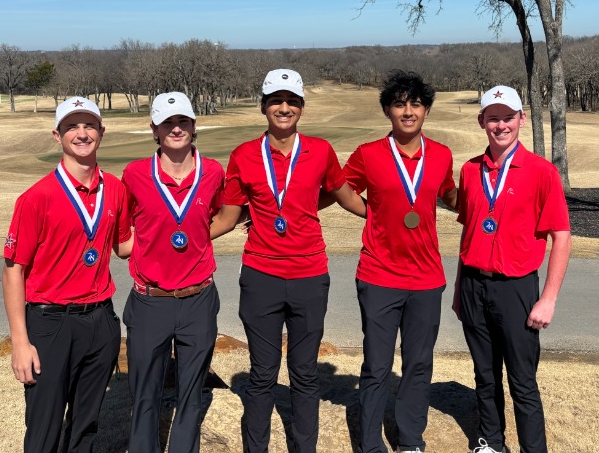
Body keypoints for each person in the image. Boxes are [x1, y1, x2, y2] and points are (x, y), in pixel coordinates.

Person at [210, 68, 366, 452]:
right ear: (263, 106)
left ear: (301, 108)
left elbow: (343, 195)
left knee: (305, 374)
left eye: (292, 101)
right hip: (261, 275)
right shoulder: (245, 154)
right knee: (262, 376)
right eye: (276, 101)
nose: (284, 108)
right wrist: (176, 238)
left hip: (310, 275)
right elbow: (229, 217)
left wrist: (388, 215)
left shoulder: (321, 151)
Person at [2, 96, 132, 453]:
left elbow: (125, 246)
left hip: (100, 320)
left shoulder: (116, 189)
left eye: (89, 125)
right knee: (43, 428)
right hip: (50, 323)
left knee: (87, 425)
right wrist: (20, 342)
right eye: (71, 126)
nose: (81, 133)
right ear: (56, 136)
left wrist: (186, 228)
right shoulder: (36, 198)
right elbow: (14, 272)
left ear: (101, 133)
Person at [342, 70, 458, 453]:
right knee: (376, 366)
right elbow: (341, 188)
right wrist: (370, 212)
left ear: (426, 111)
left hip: (426, 277)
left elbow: (450, 196)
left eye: (416, 104)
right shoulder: (368, 154)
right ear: (388, 111)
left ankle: (410, 440)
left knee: (418, 365)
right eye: (399, 104)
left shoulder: (441, 155)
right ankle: (371, 443)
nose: (408, 112)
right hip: (379, 274)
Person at [453, 85, 571, 453]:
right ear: (481, 122)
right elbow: (470, 233)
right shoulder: (470, 171)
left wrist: (548, 298)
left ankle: (533, 448)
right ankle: (491, 442)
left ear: (521, 119)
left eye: (508, 117)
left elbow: (562, 238)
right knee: (485, 376)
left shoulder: (542, 171)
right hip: (474, 285)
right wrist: (459, 291)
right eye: (493, 118)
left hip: (516, 288)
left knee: (522, 380)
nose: (500, 125)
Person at [121, 92, 225, 453]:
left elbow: (219, 215)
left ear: (194, 126)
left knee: (191, 394)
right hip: (150, 299)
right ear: (154, 129)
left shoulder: (212, 172)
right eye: (167, 123)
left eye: (183, 121)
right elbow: (123, 231)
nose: (176, 129)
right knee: (145, 395)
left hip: (198, 297)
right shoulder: (134, 174)